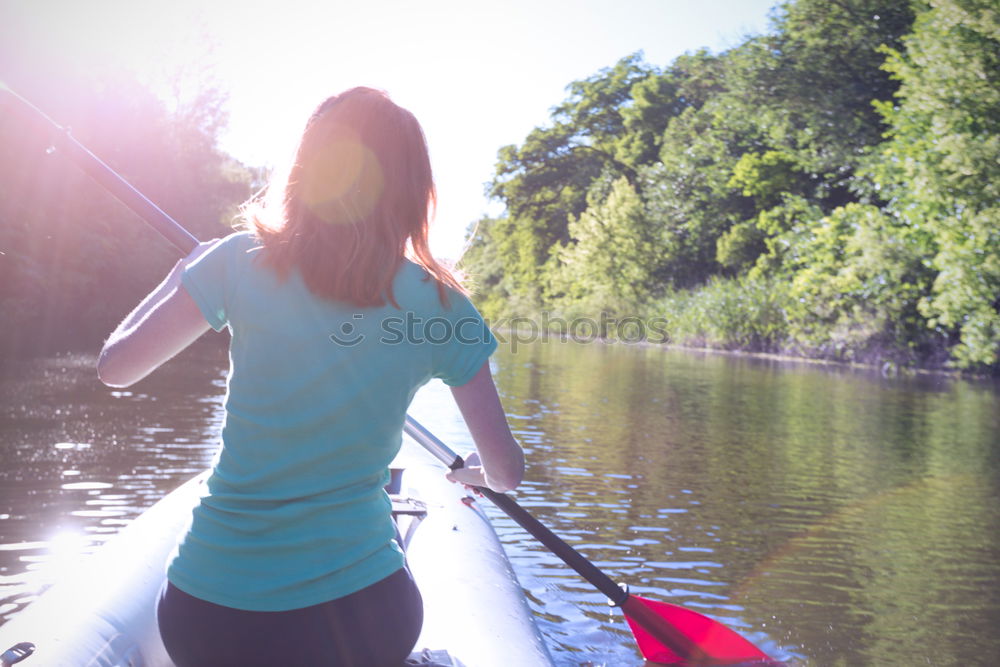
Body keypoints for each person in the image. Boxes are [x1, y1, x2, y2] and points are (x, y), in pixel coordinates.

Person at [97, 87, 524, 666]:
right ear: (413, 191)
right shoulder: (445, 309)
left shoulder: (233, 261)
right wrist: (482, 474)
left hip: (208, 617)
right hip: (361, 621)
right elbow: (507, 471)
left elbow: (116, 369)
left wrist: (184, 274)